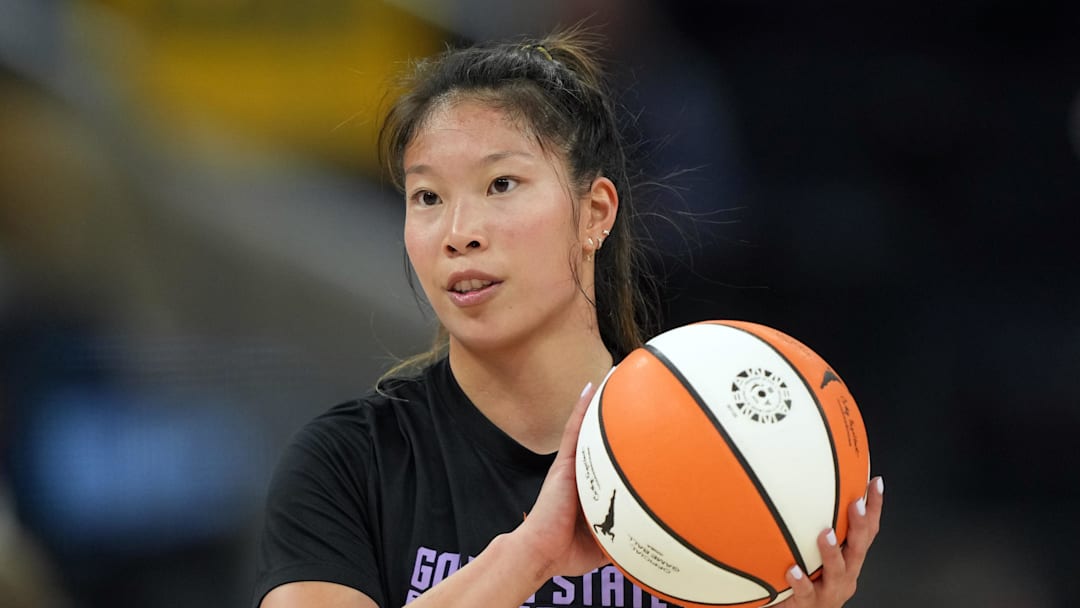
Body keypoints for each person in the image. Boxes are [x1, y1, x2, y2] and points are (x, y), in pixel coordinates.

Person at [253, 26, 884, 608]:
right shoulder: (348, 462)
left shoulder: (720, 443)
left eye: (501, 184)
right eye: (427, 196)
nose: (458, 233)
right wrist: (531, 555)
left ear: (595, 212)